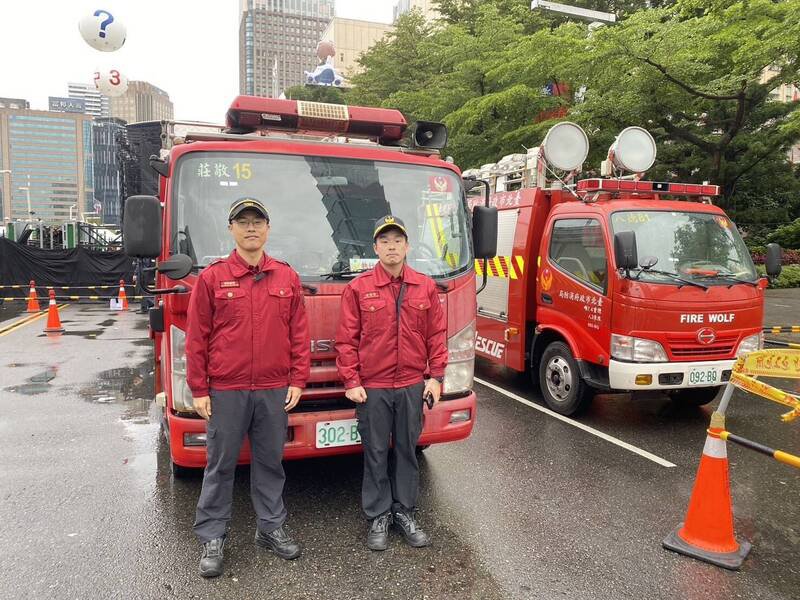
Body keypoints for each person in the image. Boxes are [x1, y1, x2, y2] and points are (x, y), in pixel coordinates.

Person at [185, 197, 310, 578]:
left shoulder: (286, 277)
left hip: (273, 389)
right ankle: (212, 536)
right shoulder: (212, 278)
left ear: (268, 229)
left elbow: (299, 334)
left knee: (270, 463)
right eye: (243, 222)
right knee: (220, 465)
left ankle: (270, 528)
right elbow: (196, 338)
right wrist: (199, 389)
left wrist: (298, 379)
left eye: (258, 221)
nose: (251, 227)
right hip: (227, 389)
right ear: (231, 229)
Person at [335, 215, 448, 551]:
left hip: (412, 384)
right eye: (384, 241)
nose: (391, 247)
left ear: (407, 246)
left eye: (397, 240)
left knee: (407, 451)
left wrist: (436, 378)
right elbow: (346, 340)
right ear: (375, 248)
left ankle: (405, 511)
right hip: (374, 386)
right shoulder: (358, 288)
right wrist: (351, 380)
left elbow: (436, 335)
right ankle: (378, 515)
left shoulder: (424, 287)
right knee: (375, 452)